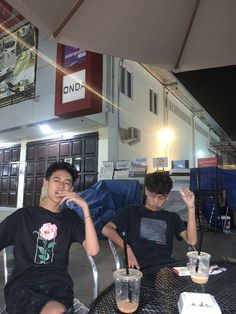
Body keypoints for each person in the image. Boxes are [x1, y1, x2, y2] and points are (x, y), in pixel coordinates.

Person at [0, 161, 99, 314]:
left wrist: (85, 207)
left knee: (57, 310)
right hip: (23, 285)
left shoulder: (70, 218)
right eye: (56, 180)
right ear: (46, 184)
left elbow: (93, 250)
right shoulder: (23, 216)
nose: (61, 186)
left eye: (67, 183)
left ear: (71, 190)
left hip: (58, 284)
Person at [102, 171, 197, 270]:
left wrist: (191, 208)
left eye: (161, 197)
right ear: (146, 191)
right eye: (152, 195)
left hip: (164, 269)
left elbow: (192, 241)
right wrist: (128, 250)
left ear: (167, 196)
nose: (156, 201)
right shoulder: (132, 211)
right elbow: (107, 229)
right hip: (137, 267)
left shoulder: (172, 217)